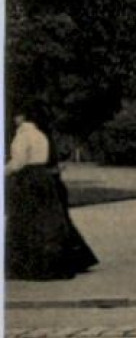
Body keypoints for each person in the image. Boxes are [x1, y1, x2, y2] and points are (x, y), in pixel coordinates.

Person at [5, 106, 98, 281]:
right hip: (44, 178)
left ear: (21, 118)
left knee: (25, 221)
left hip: (28, 178)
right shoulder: (40, 135)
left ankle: (25, 265)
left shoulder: (22, 136)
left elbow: (18, 163)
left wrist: (5, 171)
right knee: (47, 221)